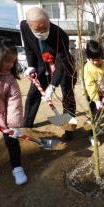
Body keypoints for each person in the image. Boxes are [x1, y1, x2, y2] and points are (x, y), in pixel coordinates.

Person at [20, 7, 77, 141]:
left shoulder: (60, 34)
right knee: (33, 95)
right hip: (41, 67)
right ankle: (26, 127)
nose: (41, 32)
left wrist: (52, 86)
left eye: (44, 28)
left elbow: (61, 62)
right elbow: (28, 48)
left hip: (64, 67)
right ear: (29, 24)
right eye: (37, 30)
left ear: (48, 21)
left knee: (67, 96)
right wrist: (31, 66)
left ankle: (69, 130)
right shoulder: (24, 27)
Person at [0, 37, 28, 185]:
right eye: (7, 61)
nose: (11, 65)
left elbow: (14, 103)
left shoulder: (10, 80)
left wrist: (13, 125)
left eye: (13, 61)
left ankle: (17, 168)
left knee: (12, 142)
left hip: (5, 119)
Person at [84, 40, 104, 146]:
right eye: (93, 60)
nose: (97, 62)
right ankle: (91, 135)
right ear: (89, 58)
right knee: (92, 116)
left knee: (100, 112)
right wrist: (96, 100)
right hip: (92, 94)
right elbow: (90, 85)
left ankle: (97, 125)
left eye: (98, 59)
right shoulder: (88, 68)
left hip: (102, 92)